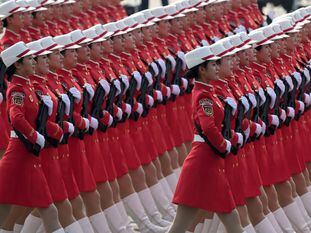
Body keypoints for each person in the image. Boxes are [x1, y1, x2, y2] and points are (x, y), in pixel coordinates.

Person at [168, 46, 245, 233]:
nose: (217, 68)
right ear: (202, 69)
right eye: (213, 65)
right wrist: (223, 144)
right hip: (203, 162)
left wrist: (231, 137)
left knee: (229, 216)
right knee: (181, 224)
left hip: (209, 161)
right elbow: (208, 127)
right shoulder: (204, 96)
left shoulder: (208, 93)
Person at [0, 41, 65, 233]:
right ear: (18, 65)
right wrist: (34, 135)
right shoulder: (18, 89)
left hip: (28, 154)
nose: (34, 62)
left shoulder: (27, 86)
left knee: (16, 209)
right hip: (19, 153)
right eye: (29, 59)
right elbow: (16, 117)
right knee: (44, 208)